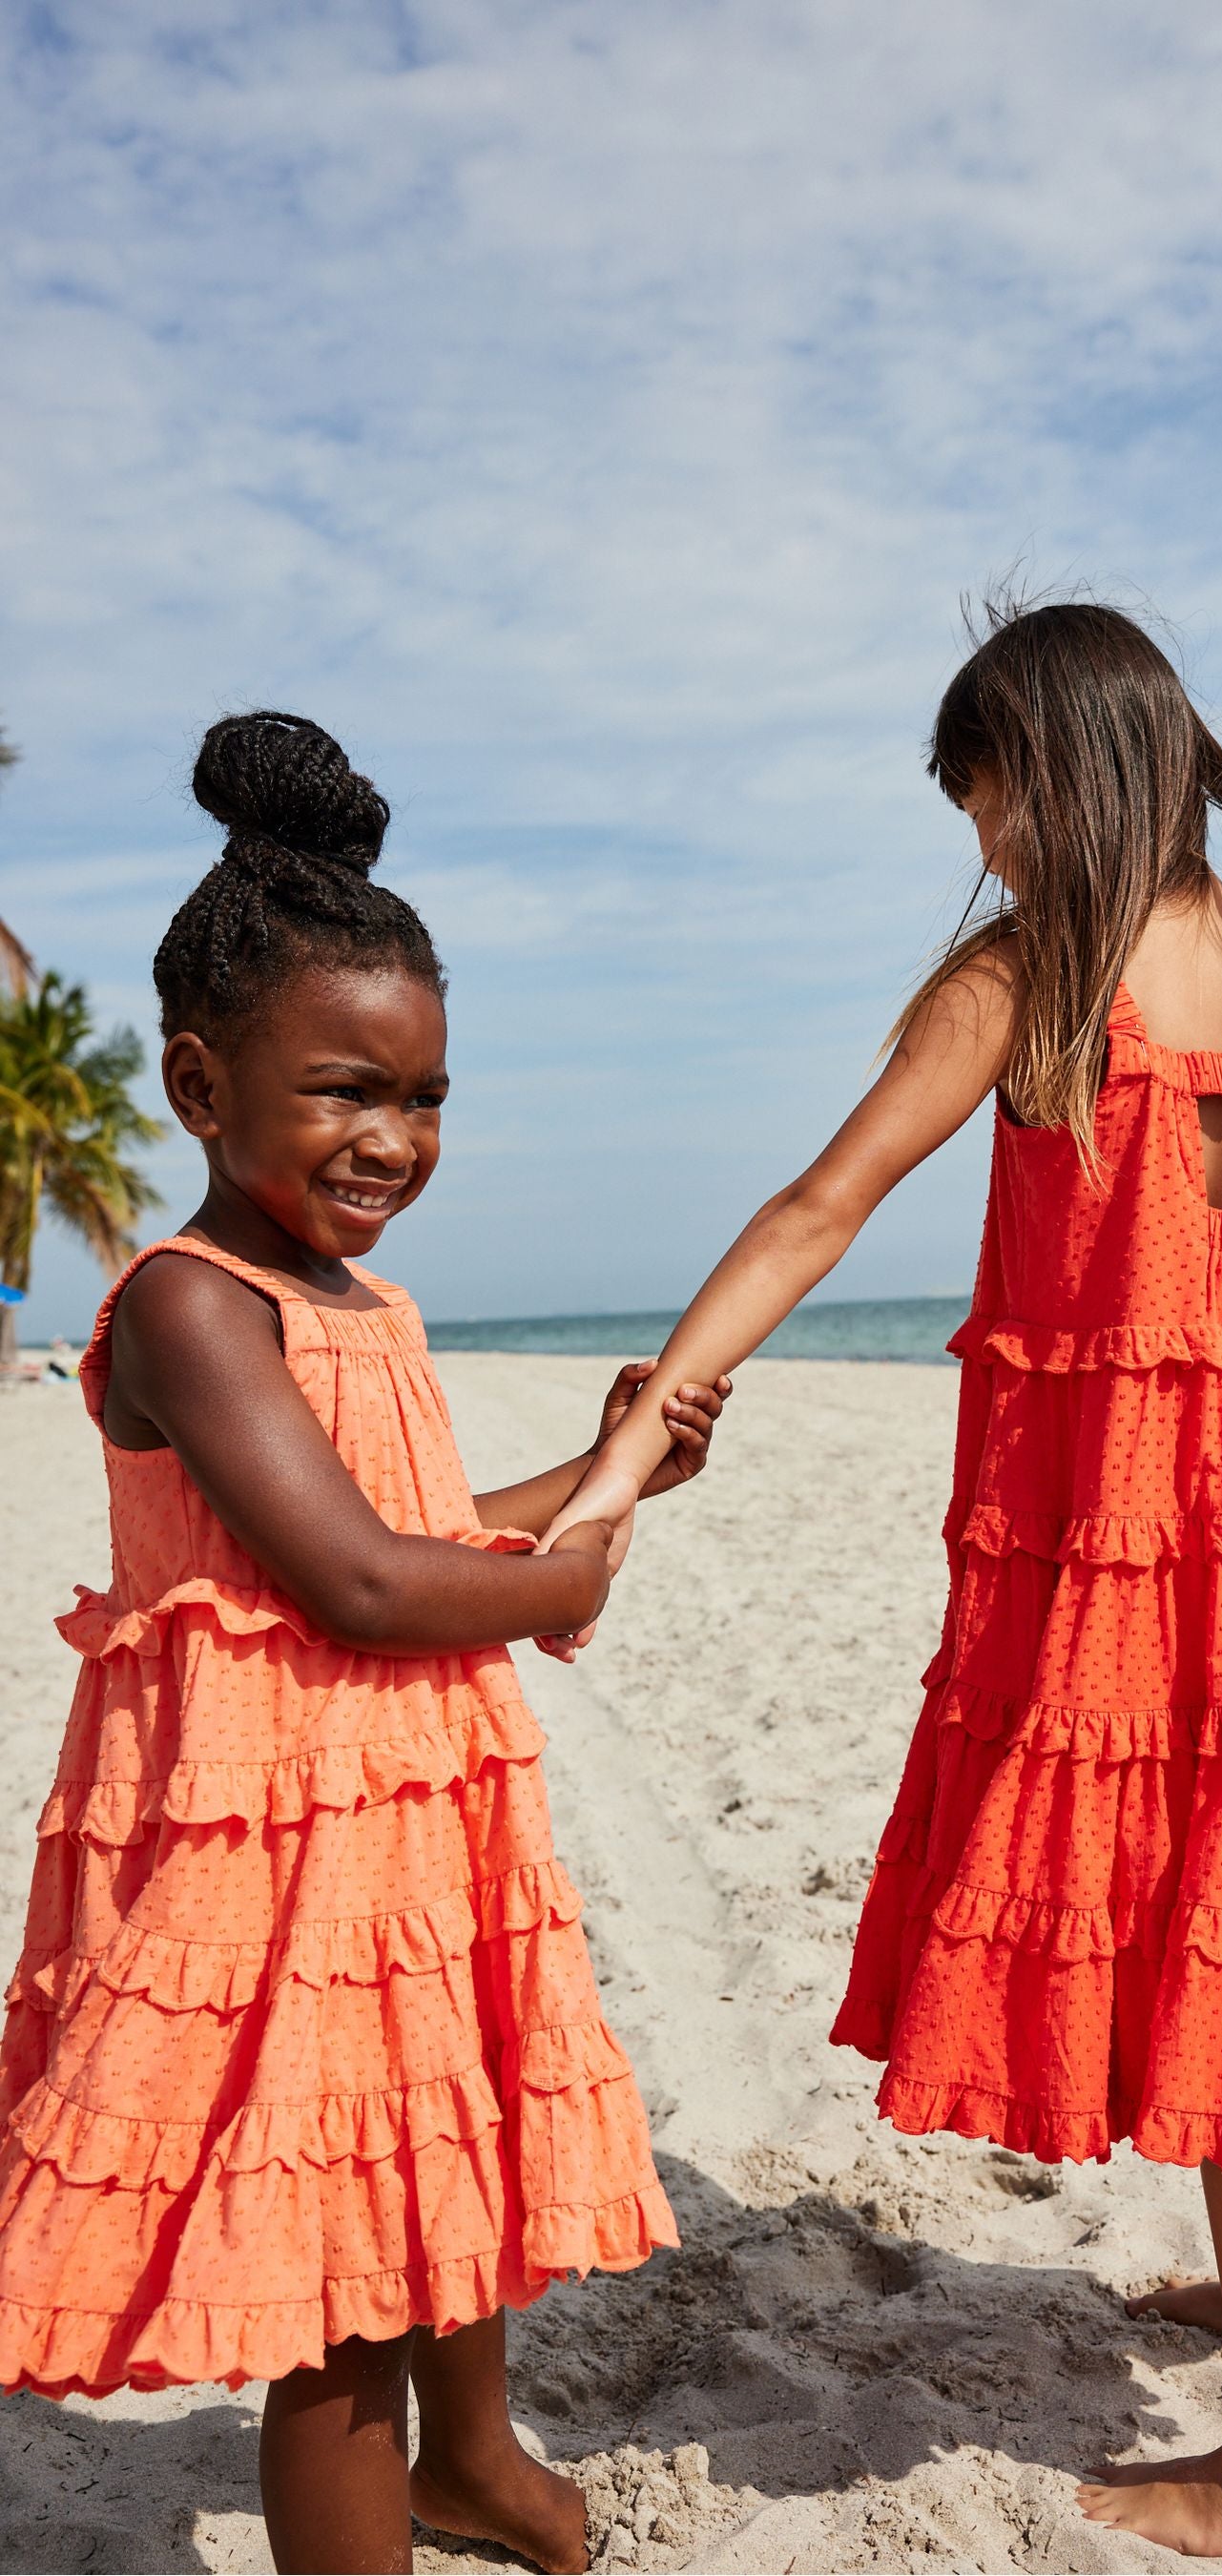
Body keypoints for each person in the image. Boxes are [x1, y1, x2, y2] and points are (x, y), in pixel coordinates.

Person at [552, 600, 1222, 2572]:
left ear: (1058, 770)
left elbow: (821, 1201)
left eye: (987, 796)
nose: (982, 842)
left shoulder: (1036, 980)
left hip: (1147, 1553)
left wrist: (647, 1427)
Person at [0, 712, 732, 2576]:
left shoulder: (361, 1297)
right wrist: (558, 1589)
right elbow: (365, 1587)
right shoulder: (188, 1306)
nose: (392, 1140)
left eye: (424, 1100)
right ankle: (386, 2494)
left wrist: (610, 1457)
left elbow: (420, 1521)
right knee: (336, 2286)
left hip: (406, 1815)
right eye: (343, 1091)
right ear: (195, 1085)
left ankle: (470, 2459)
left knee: (441, 2154)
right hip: (271, 1855)